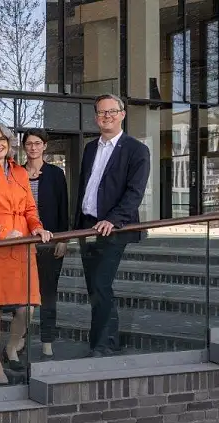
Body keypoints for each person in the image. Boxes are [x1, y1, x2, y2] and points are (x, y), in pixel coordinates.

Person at [0, 122, 52, 385]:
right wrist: (2, 232)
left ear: (8, 141)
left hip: (22, 245)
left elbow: (29, 209)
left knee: (27, 307)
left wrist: (37, 228)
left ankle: (13, 345)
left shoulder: (20, 172)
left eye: (2, 138)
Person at [75, 94, 150, 357]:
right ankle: (98, 341)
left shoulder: (136, 149)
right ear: (96, 117)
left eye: (111, 112)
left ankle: (105, 344)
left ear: (122, 114)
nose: (106, 117)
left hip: (113, 228)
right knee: (93, 286)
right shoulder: (89, 149)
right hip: (87, 226)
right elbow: (85, 188)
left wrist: (114, 219)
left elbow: (134, 192)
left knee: (101, 283)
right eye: (101, 113)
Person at [22, 128, 70, 360]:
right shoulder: (16, 173)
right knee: (22, 296)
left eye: (37, 143)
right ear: (24, 147)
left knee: (48, 294)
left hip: (50, 243)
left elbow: (63, 209)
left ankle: (47, 341)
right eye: (29, 143)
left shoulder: (55, 174)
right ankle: (19, 338)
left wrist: (63, 239)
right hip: (23, 243)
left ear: (45, 146)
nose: (33, 147)